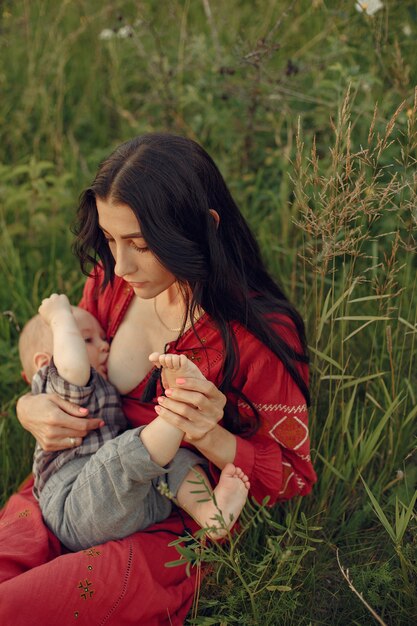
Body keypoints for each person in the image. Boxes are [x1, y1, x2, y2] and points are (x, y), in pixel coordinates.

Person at [0, 133, 317, 625]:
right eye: (110, 239)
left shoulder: (256, 336)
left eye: (141, 245)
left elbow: (295, 476)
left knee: (18, 609)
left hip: (164, 515)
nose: (121, 265)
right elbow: (72, 373)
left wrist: (209, 435)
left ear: (202, 229)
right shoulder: (111, 284)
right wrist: (30, 408)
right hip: (70, 480)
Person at [19, 293, 250, 552]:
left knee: (174, 460)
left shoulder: (98, 386)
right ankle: (179, 407)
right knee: (126, 454)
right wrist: (59, 316)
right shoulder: (59, 385)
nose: (105, 345)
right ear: (43, 363)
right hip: (75, 504)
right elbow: (73, 366)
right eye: (86, 339)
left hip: (139, 504)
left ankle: (209, 512)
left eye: (103, 338)